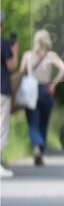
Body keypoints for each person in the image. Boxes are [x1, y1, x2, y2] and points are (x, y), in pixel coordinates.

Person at [18, 29, 64, 165]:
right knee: (43, 123)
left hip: (31, 91)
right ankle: (40, 148)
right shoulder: (51, 55)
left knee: (33, 123)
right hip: (46, 90)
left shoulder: (27, 56)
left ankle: (36, 147)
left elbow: (21, 73)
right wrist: (54, 84)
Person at [1, 12, 19, 177]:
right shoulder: (3, 44)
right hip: (1, 90)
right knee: (1, 126)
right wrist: (15, 51)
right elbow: (12, 66)